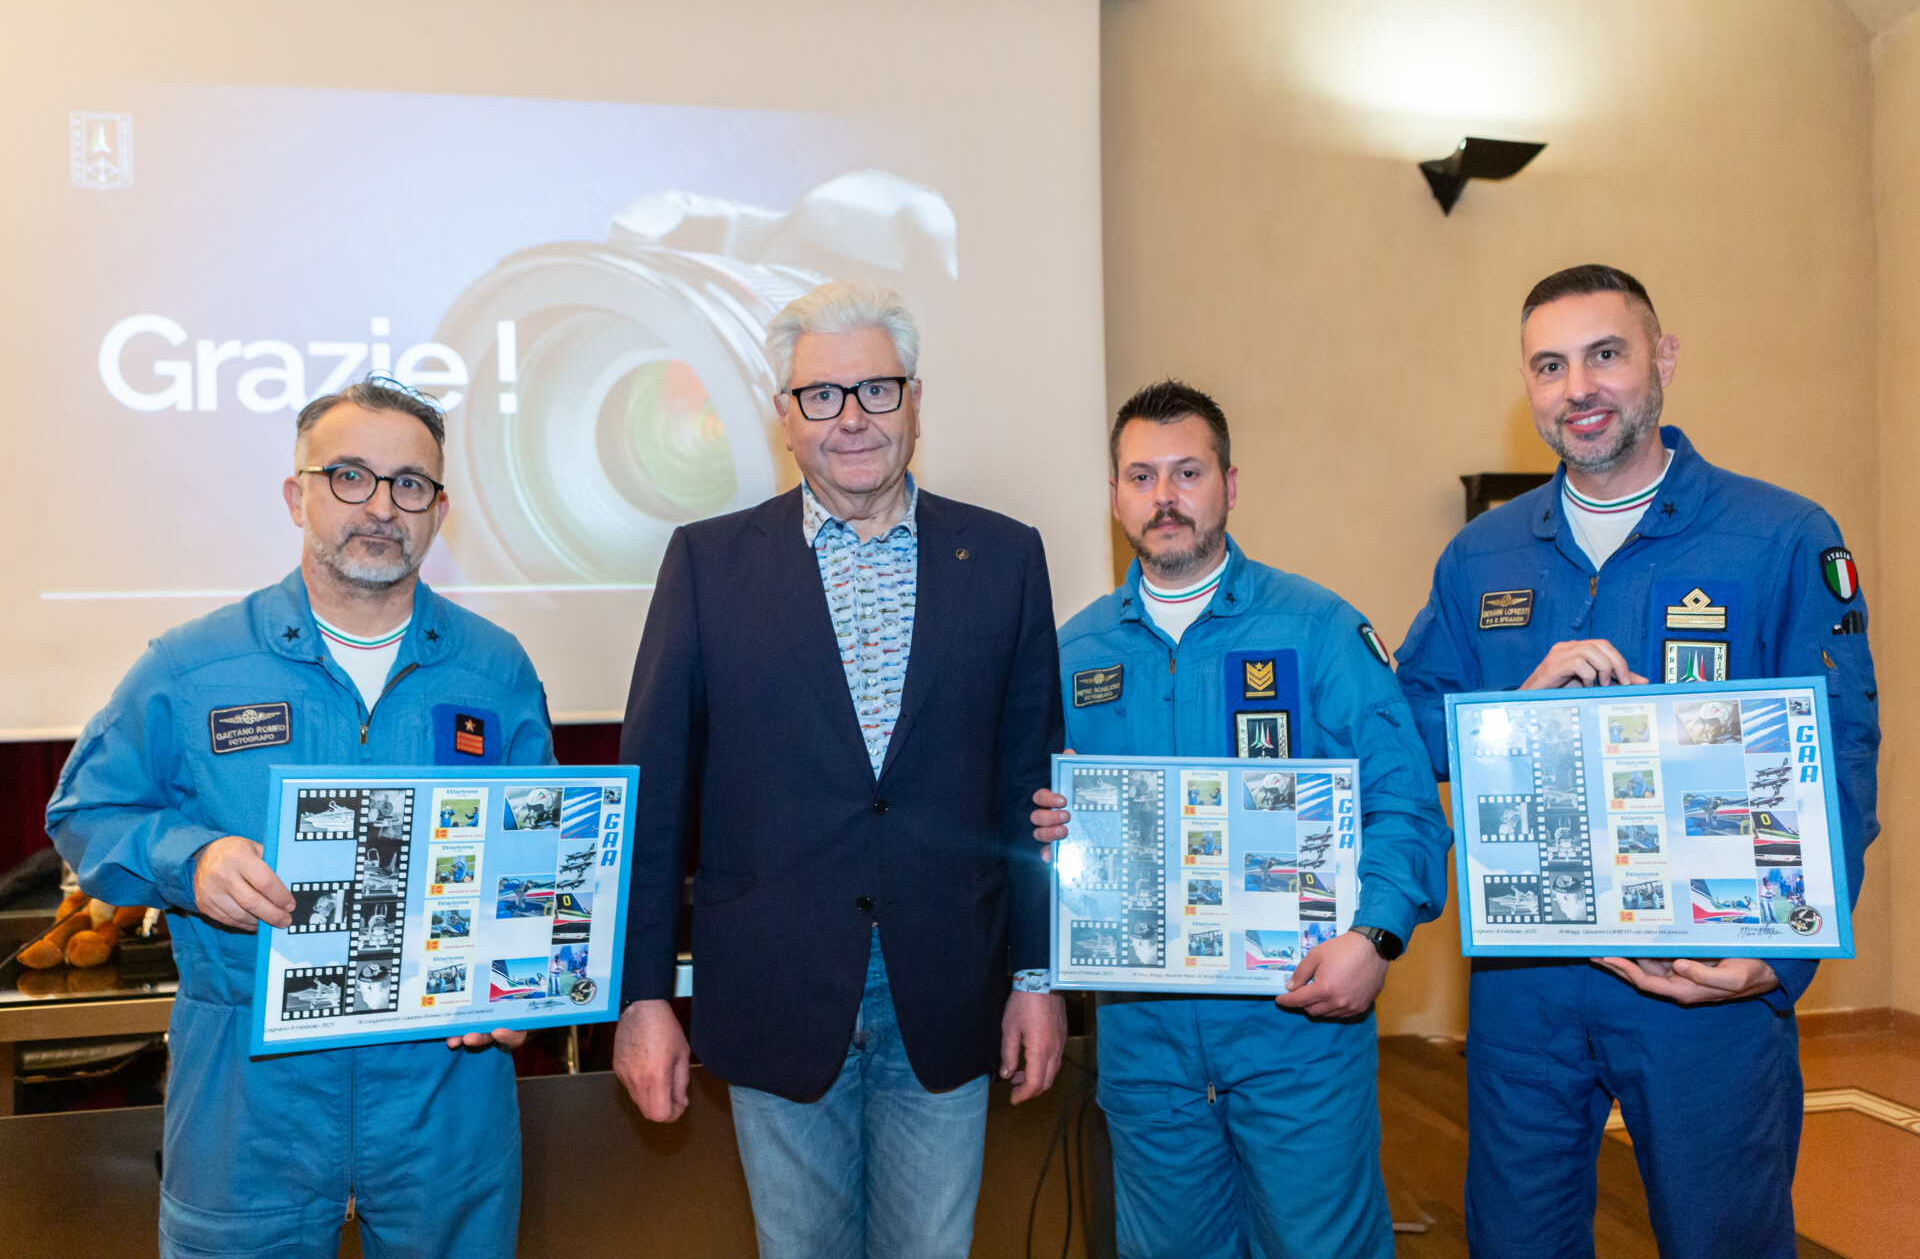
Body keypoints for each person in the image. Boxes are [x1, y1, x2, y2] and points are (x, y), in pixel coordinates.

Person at [1395, 264, 1880, 1259]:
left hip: (1704, 977)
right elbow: (1404, 727)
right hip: (1526, 984)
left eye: (1605, 354)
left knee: (1724, 1240)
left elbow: (1837, 757)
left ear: (1661, 359)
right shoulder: (1481, 556)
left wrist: (1776, 959)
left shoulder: (1781, 537)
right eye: (1549, 364)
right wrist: (1510, 712)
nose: (1579, 387)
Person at [47, 377, 554, 1258]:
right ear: (298, 495)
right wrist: (190, 861)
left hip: (446, 1109)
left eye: (409, 485)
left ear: (439, 511)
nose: (381, 507)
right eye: (349, 476)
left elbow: (537, 865)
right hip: (248, 1113)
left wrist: (521, 990)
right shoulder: (192, 666)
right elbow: (87, 811)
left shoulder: (495, 671)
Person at [612, 281, 1066, 1259]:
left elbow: (1031, 788)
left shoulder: (1004, 557)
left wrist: (1038, 970)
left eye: (877, 389)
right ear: (785, 415)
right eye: (822, 395)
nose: (852, 417)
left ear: (915, 401)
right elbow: (654, 802)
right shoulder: (706, 563)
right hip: (774, 989)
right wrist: (643, 992)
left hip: (950, 990)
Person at [1030, 380, 1452, 1259]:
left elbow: (1404, 800)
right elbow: (1025, 831)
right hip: (1144, 1047)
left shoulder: (1320, 631)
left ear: (1230, 483)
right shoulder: (1073, 655)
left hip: (1297, 1029)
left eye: (1188, 472)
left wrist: (1375, 938)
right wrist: (1045, 832)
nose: (1165, 497)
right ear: (1113, 497)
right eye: (1141, 477)